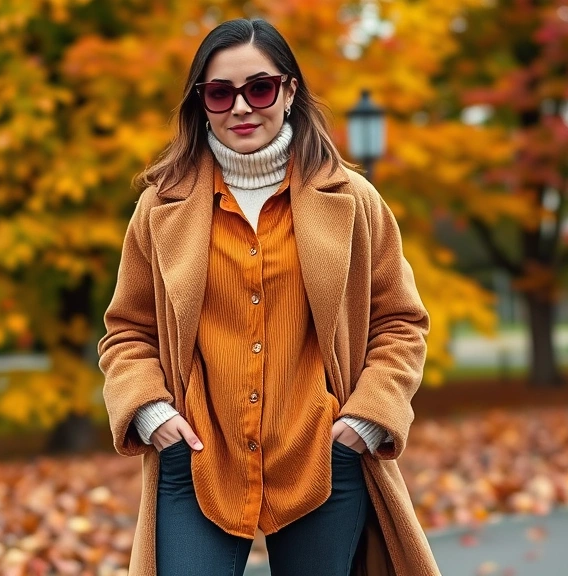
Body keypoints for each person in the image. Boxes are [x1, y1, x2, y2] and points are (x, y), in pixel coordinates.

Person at [98, 18, 440, 576]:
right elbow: (127, 331)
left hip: (324, 455)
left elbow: (401, 323)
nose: (241, 107)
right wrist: (151, 411)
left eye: (259, 88)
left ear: (289, 91)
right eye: (219, 93)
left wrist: (366, 420)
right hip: (197, 458)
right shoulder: (161, 206)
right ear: (200, 102)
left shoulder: (354, 199)